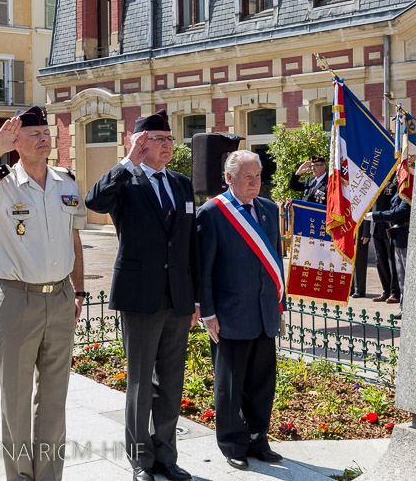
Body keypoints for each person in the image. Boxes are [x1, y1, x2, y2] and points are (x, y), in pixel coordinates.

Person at [0, 106, 86, 481]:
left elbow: (74, 239)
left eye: (46, 132)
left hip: (60, 299)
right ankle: (20, 477)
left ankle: (48, 475)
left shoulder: (66, 182)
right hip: (18, 299)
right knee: (15, 398)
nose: (44, 139)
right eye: (35, 134)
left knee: (55, 398)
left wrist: (78, 291)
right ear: (16, 141)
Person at [85, 110, 200, 481]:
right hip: (139, 295)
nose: (167, 145)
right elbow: (94, 201)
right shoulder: (126, 181)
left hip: (177, 297)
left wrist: (196, 298)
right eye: (158, 140)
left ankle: (166, 456)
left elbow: (190, 244)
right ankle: (140, 459)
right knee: (139, 383)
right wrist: (128, 160)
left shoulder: (181, 184)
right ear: (140, 143)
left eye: (169, 139)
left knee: (171, 380)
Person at [196, 150, 284, 470]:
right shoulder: (212, 212)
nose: (254, 182)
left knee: (262, 383)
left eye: (257, 176)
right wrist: (208, 313)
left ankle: (259, 439)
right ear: (229, 178)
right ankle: (233, 443)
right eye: (247, 177)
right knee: (230, 385)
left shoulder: (269, 209)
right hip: (230, 314)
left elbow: (276, 260)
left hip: (264, 312)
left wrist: (280, 304)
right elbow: (203, 268)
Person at [366, 190, 411, 319]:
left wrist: (375, 215)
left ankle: (407, 307)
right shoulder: (400, 190)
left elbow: (399, 212)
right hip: (397, 237)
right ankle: (403, 308)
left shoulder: (408, 190)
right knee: (401, 277)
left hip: (404, 236)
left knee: (405, 277)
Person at [370, 180, 401, 303]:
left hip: (388, 228)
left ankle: (395, 292)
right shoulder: (374, 184)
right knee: (380, 262)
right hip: (375, 228)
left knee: (392, 261)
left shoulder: (393, 184)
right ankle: (386, 290)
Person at [351, 221, 370, 298]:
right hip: (348, 228)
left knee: (360, 261)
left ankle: (360, 290)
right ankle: (350, 288)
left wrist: (366, 232)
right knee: (348, 260)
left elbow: (366, 216)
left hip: (359, 230)